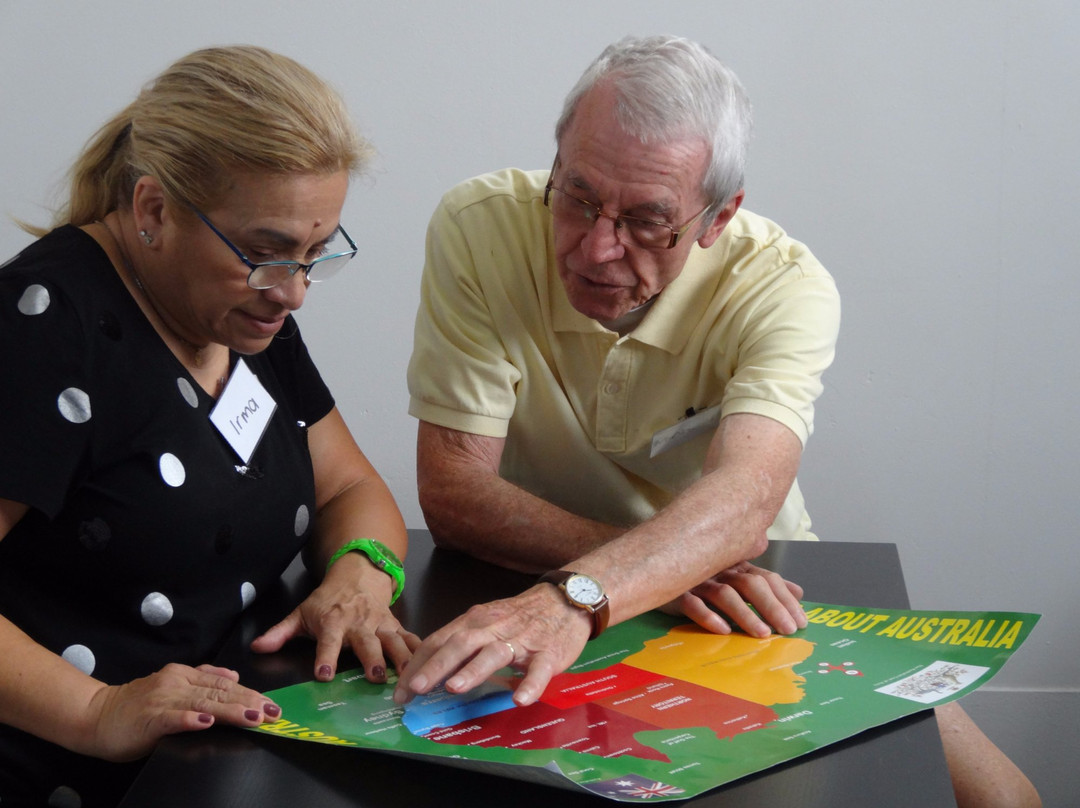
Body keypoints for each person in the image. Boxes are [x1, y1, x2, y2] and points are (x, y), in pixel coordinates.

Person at [397, 35, 1039, 808]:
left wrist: (594, 592)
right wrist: (641, 577)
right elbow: (456, 491)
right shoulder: (478, 225)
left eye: (647, 221)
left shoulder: (785, 286)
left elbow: (745, 502)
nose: (598, 248)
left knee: (1000, 798)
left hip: (742, 591)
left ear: (718, 215)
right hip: (591, 575)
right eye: (575, 196)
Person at [0, 46, 418, 806]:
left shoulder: (238, 311)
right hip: (70, 774)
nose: (293, 293)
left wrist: (361, 573)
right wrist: (98, 710)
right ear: (153, 209)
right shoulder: (43, 330)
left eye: (315, 255)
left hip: (226, 750)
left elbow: (349, 485)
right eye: (265, 254)